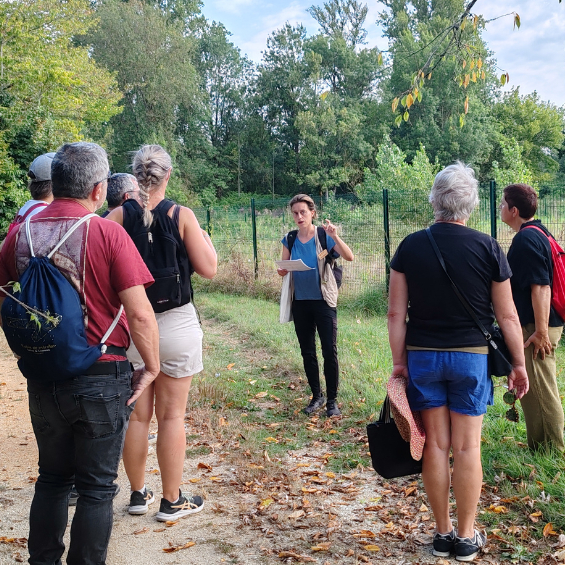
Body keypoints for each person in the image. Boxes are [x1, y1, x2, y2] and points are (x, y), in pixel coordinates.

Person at [0, 142, 160, 565]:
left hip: (43, 374)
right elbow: (141, 315)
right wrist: (151, 367)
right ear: (97, 188)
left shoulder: (21, 233)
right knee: (96, 487)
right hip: (100, 375)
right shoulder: (106, 232)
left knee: (52, 478)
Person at [387, 162, 529, 562]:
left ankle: (442, 534)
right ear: (470, 204)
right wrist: (518, 364)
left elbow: (396, 314)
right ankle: (466, 539)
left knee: (435, 444)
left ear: (435, 199)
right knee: (467, 447)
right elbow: (508, 317)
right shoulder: (487, 246)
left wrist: (400, 362)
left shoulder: (410, 246)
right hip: (471, 359)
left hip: (423, 358)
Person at [106, 144, 217, 521]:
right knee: (172, 418)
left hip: (135, 324)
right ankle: (172, 500)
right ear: (167, 175)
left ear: (135, 177)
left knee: (137, 416)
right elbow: (208, 269)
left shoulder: (117, 216)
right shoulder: (181, 215)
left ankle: (138, 496)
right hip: (177, 323)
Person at [500, 183, 565, 451]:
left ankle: (552, 449)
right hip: (541, 324)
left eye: (503, 204)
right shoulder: (539, 232)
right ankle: (541, 444)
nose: (500, 208)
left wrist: (539, 332)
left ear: (514, 210)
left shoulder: (527, 239)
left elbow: (541, 287)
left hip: (537, 327)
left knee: (540, 389)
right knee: (536, 388)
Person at [277, 194, 354, 417]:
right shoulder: (289, 239)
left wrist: (335, 237)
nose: (299, 216)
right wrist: (282, 270)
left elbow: (349, 256)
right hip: (300, 302)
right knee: (307, 352)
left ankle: (332, 401)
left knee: (329, 351)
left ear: (312, 213)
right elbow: (283, 267)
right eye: (295, 213)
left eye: (303, 212)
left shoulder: (323, 235)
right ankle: (316, 397)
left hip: (323, 302)